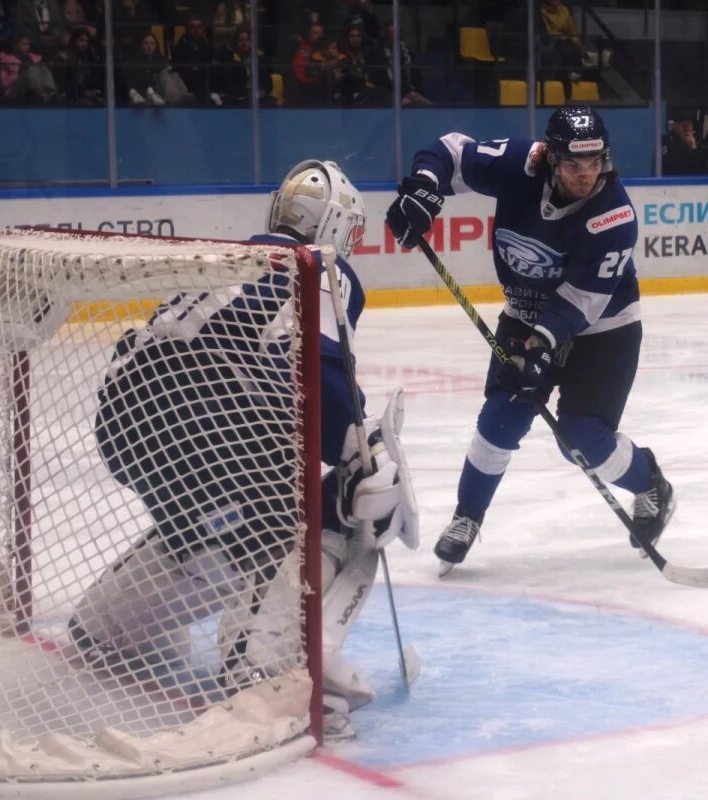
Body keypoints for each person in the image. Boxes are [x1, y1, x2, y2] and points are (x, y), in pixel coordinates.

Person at [67, 160, 419, 736]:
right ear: (329, 226)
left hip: (125, 424)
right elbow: (324, 384)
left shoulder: (227, 258)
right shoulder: (320, 269)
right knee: (346, 499)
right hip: (212, 424)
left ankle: (109, 626)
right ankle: (267, 671)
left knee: (211, 524)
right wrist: (359, 447)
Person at [385, 105, 675, 576]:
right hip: (526, 312)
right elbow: (450, 152)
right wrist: (424, 187)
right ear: (550, 160)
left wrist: (539, 349)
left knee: (580, 438)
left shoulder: (614, 216)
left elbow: (582, 301)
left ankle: (651, 483)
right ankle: (467, 517)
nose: (585, 176)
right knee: (501, 419)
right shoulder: (520, 163)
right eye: (573, 165)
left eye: (594, 164)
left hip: (604, 326)